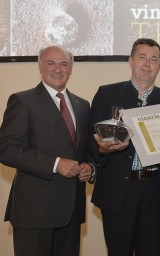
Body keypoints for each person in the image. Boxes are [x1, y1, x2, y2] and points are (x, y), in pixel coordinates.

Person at [88, 38, 160, 256]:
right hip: (118, 192)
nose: (147, 64)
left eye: (154, 59)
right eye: (142, 57)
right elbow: (90, 144)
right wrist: (102, 149)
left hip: (154, 191)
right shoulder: (106, 94)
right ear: (130, 61)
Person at [0, 45, 94, 256]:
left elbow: (85, 151)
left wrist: (90, 167)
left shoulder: (82, 105)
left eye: (64, 64)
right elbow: (6, 149)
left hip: (71, 212)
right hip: (34, 212)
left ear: (71, 69)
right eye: (51, 63)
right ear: (40, 67)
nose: (58, 69)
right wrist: (55, 164)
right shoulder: (22, 101)